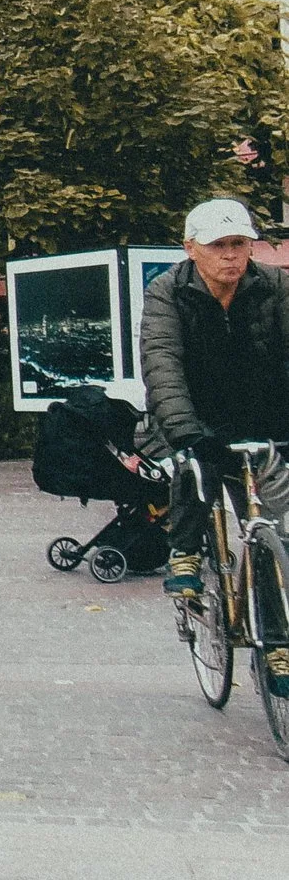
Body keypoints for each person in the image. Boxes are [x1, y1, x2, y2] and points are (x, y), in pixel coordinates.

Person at [141, 199, 289, 651]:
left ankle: (276, 646)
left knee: (273, 534)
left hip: (263, 416)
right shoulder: (167, 291)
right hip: (194, 413)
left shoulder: (277, 285)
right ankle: (185, 550)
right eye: (217, 245)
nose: (230, 255)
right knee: (195, 466)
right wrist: (184, 429)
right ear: (190, 248)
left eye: (238, 243)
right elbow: (162, 363)